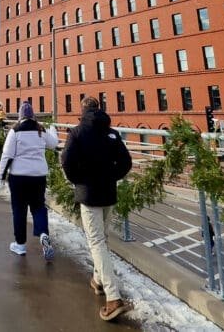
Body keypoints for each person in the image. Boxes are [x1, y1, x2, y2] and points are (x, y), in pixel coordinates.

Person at [60, 96, 134, 322]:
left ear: (82, 110)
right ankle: (99, 280)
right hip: (108, 193)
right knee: (102, 239)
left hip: (89, 195)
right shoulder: (111, 133)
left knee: (96, 241)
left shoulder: (77, 133)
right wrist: (111, 177)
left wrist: (78, 180)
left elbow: (66, 161)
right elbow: (126, 163)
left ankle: (113, 297)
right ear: (99, 109)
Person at [0, 101, 59, 260]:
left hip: (19, 176)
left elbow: (7, 155)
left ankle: (20, 244)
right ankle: (43, 234)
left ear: (20, 116)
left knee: (19, 210)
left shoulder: (15, 130)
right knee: (38, 206)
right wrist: (53, 130)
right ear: (33, 115)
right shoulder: (40, 129)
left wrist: (1, 176)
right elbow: (53, 144)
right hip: (38, 175)